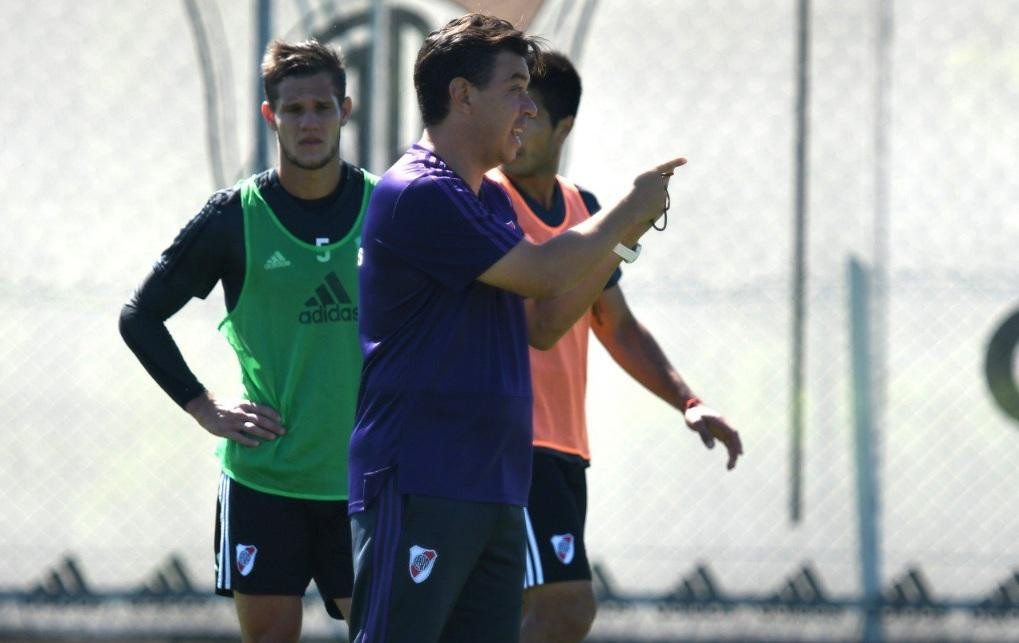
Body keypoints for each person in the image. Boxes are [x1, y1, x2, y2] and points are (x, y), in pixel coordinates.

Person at [347, 14, 687, 643]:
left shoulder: (489, 198)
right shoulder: (420, 190)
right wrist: (625, 212)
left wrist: (626, 239)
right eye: (515, 88)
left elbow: (547, 320)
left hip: (496, 486)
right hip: (423, 478)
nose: (529, 107)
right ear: (462, 94)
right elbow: (540, 270)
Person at [118, 39, 376, 642]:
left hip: (365, 485)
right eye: (293, 109)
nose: (309, 122)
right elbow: (139, 316)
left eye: (321, 106)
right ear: (270, 116)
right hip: (266, 482)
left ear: (346, 109)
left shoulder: (386, 207)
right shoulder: (235, 217)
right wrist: (204, 406)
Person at [487, 51, 743, 643]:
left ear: (565, 128)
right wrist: (625, 232)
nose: (517, 128)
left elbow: (615, 323)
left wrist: (688, 401)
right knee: (565, 609)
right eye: (511, 113)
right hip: (507, 444)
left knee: (517, 616)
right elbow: (543, 325)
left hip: (562, 451)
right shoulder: (485, 202)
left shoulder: (585, 210)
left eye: (532, 116)